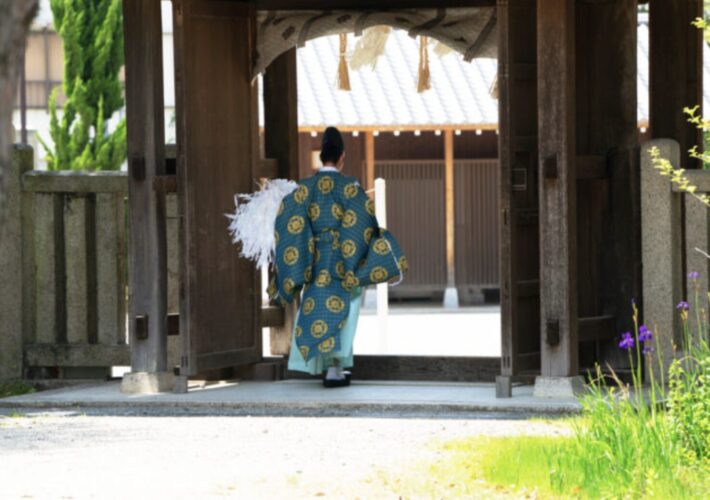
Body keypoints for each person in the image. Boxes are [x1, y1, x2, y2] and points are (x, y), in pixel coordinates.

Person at [268, 126, 407, 387]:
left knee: (317, 309)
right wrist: (353, 257)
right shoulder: (350, 187)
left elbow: (290, 221)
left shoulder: (304, 188)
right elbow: (363, 224)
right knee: (345, 311)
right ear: (342, 157)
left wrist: (303, 257)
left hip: (314, 259)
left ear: (322, 157)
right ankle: (335, 369)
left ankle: (330, 367)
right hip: (345, 258)